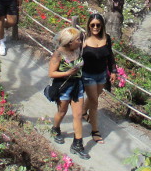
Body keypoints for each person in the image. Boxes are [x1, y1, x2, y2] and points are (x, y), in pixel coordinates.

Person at [48, 27, 89, 159]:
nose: (80, 41)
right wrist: (67, 73)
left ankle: (78, 144)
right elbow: (51, 73)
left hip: (78, 85)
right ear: (70, 42)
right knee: (62, 111)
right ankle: (55, 128)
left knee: (77, 114)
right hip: (64, 85)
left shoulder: (78, 49)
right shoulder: (58, 53)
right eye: (77, 39)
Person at [81, 13, 116, 144]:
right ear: (89, 25)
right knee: (94, 102)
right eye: (93, 25)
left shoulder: (106, 38)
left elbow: (110, 55)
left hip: (102, 75)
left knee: (95, 96)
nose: (95, 27)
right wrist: (81, 48)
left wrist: (113, 71)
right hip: (87, 75)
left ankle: (84, 112)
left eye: (98, 25)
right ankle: (95, 131)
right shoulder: (83, 39)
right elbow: (72, 54)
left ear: (102, 26)